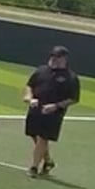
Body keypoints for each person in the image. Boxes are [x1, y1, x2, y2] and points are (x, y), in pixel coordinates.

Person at [22, 46, 81, 179]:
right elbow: (30, 85)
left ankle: (34, 167)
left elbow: (73, 98)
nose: (54, 59)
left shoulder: (71, 78)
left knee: (43, 137)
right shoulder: (41, 70)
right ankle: (48, 161)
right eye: (53, 56)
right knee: (34, 135)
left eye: (57, 57)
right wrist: (29, 97)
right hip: (36, 109)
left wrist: (56, 106)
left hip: (53, 113)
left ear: (64, 59)